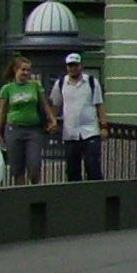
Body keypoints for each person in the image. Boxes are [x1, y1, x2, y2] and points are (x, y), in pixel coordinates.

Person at [0, 57, 54, 187]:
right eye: (23, 70)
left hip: (33, 130)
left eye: (28, 70)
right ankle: (20, 194)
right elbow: (2, 112)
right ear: (16, 70)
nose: (26, 73)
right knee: (17, 168)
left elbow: (45, 105)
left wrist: (52, 120)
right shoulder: (7, 89)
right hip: (14, 129)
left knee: (34, 164)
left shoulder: (35, 86)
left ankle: (34, 187)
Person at [51, 53, 106, 181]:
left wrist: (104, 126)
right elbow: (55, 105)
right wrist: (52, 122)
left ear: (81, 66)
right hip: (70, 133)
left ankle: (95, 196)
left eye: (75, 65)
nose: (73, 68)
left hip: (90, 131)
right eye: (70, 66)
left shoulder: (92, 82)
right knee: (72, 170)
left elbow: (100, 105)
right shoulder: (60, 84)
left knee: (93, 168)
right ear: (66, 67)